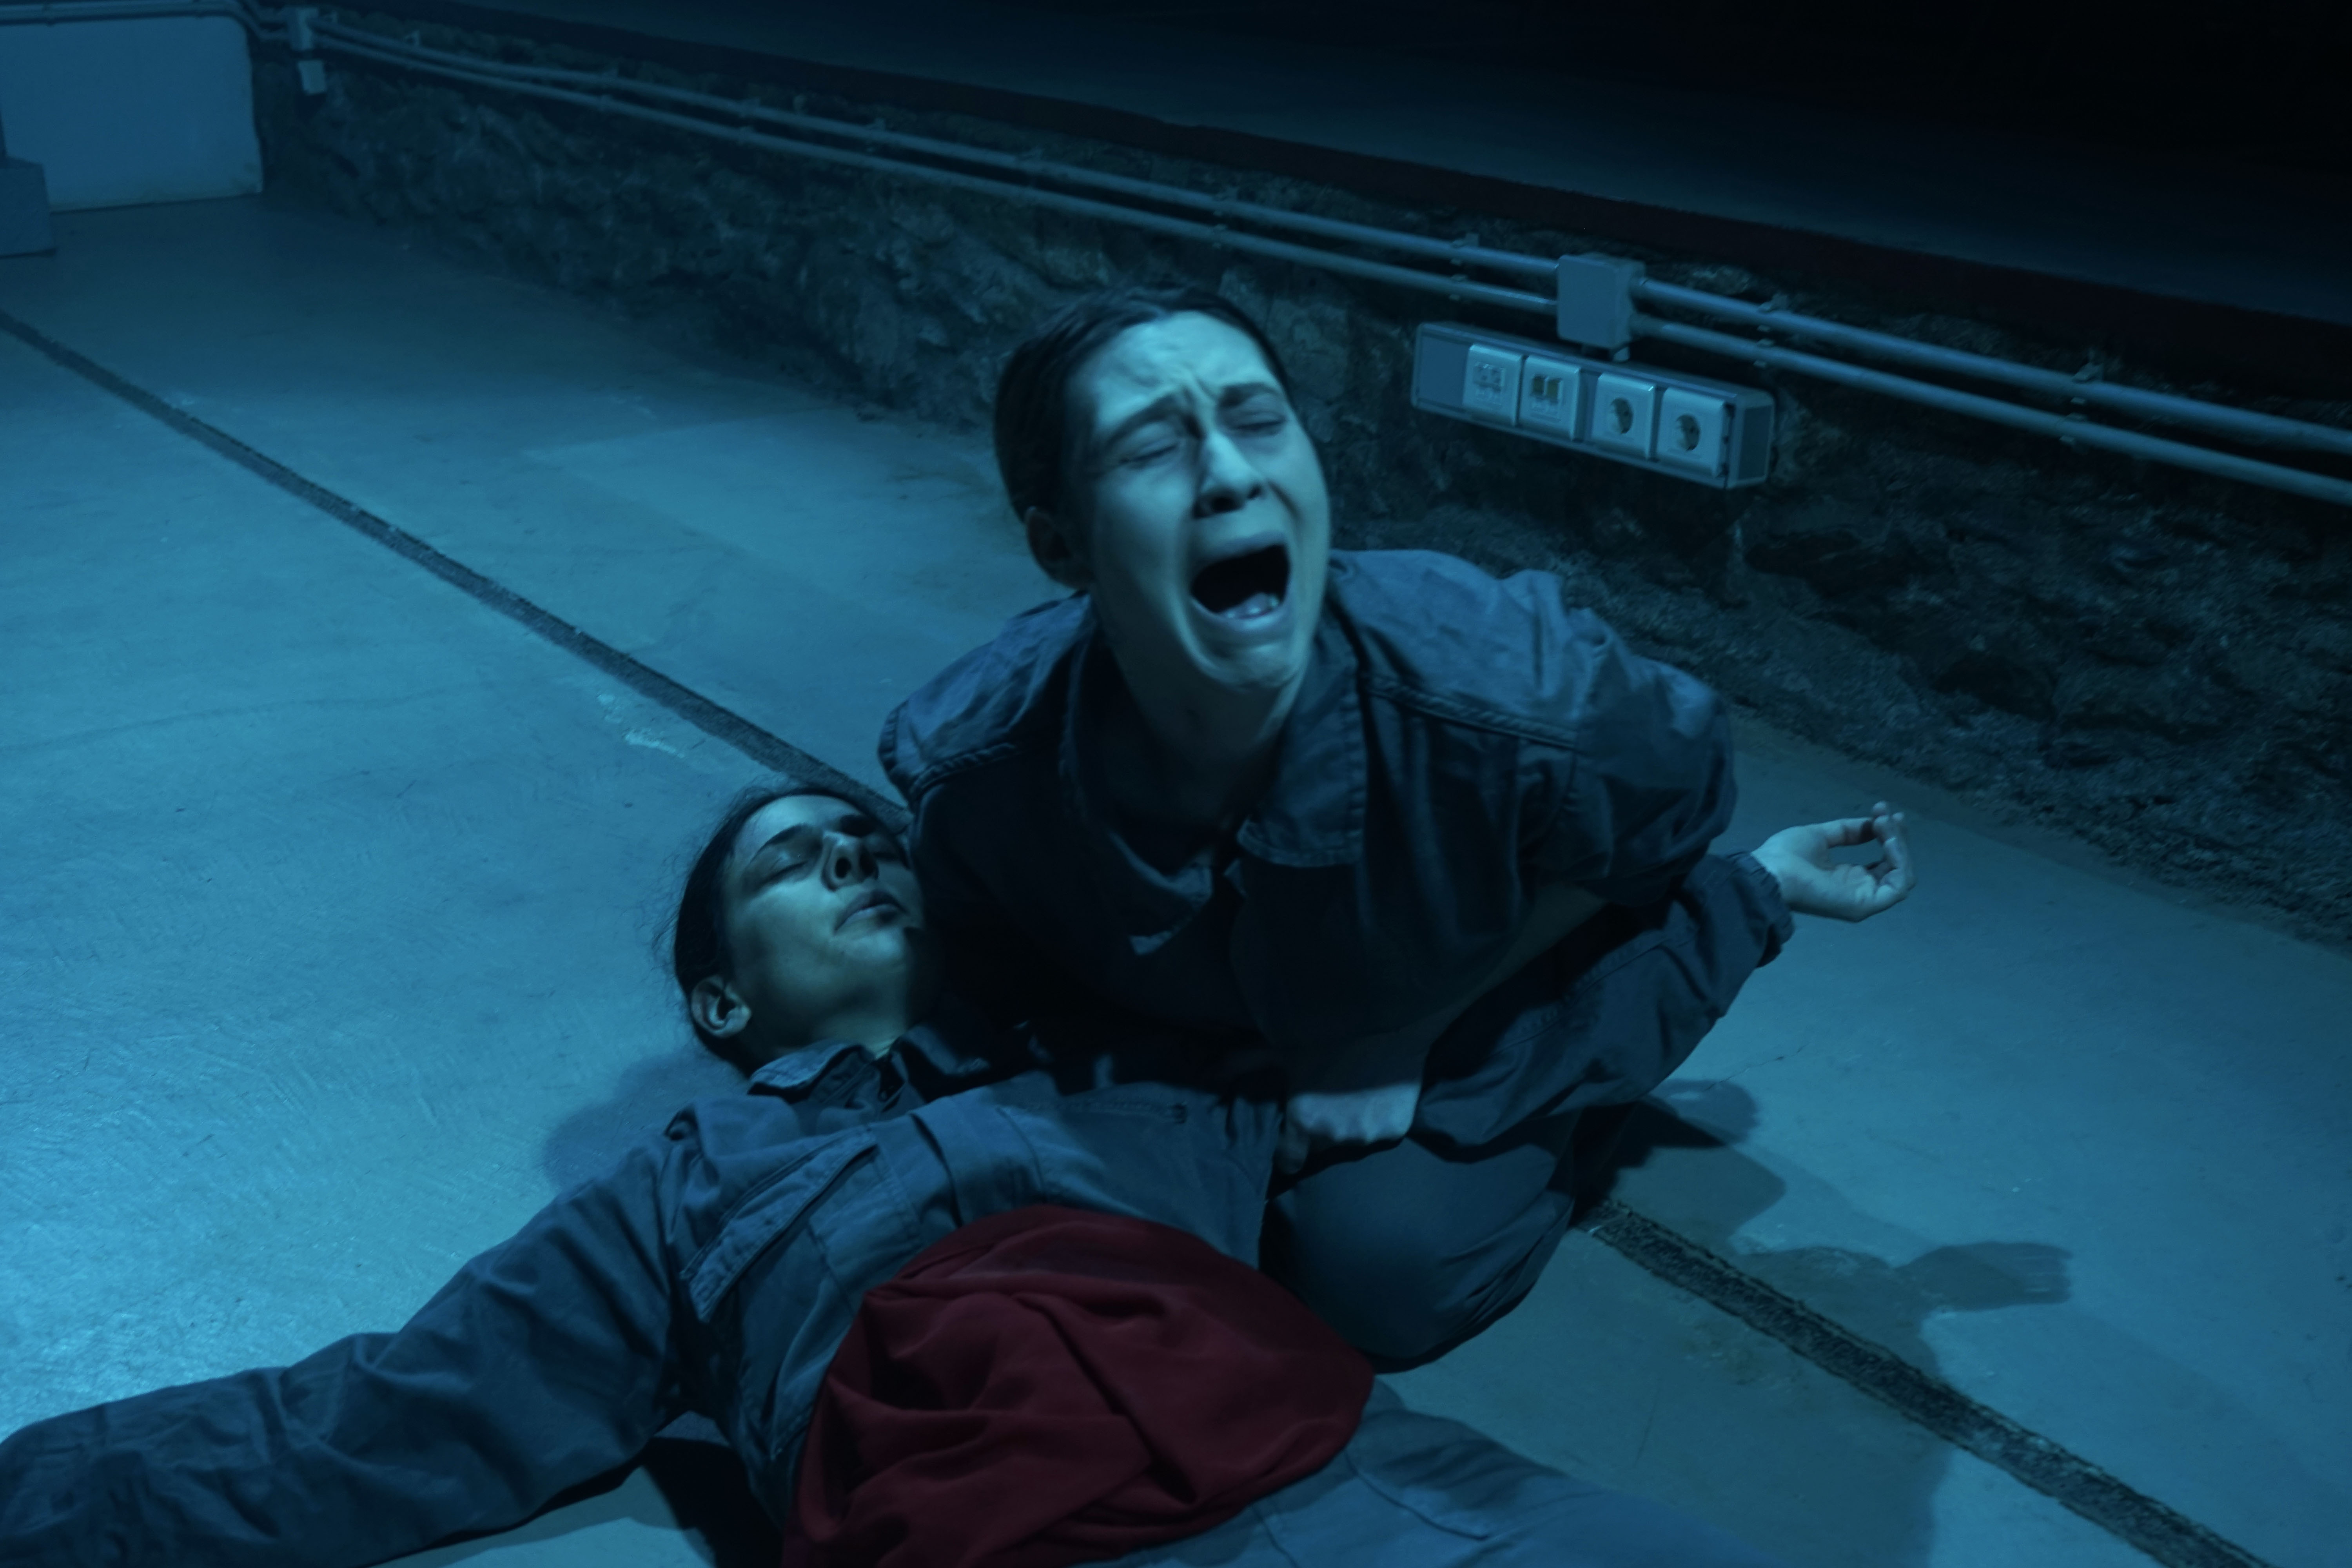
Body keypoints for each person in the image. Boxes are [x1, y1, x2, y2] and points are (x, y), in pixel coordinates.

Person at [0, 785, 1836, 1567]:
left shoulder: (1123, 1068)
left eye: (869, 838)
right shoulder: (685, 1193)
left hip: (1385, 1488)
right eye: (795, 861)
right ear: (724, 998)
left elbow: (1489, 1057)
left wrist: (1750, 897)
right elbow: (372, 1423)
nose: (855, 857)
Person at [881, 286, 1916, 1365]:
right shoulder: (980, 765)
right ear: (1061, 546)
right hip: (1209, 1020)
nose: (1230, 475)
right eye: (1151, 448)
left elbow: (1676, 794)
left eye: (1259, 420)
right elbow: (990, 1006)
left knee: (1380, 1270)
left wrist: (1403, 1032)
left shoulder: (1513, 688)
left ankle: (1734, 910)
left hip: (1450, 976)